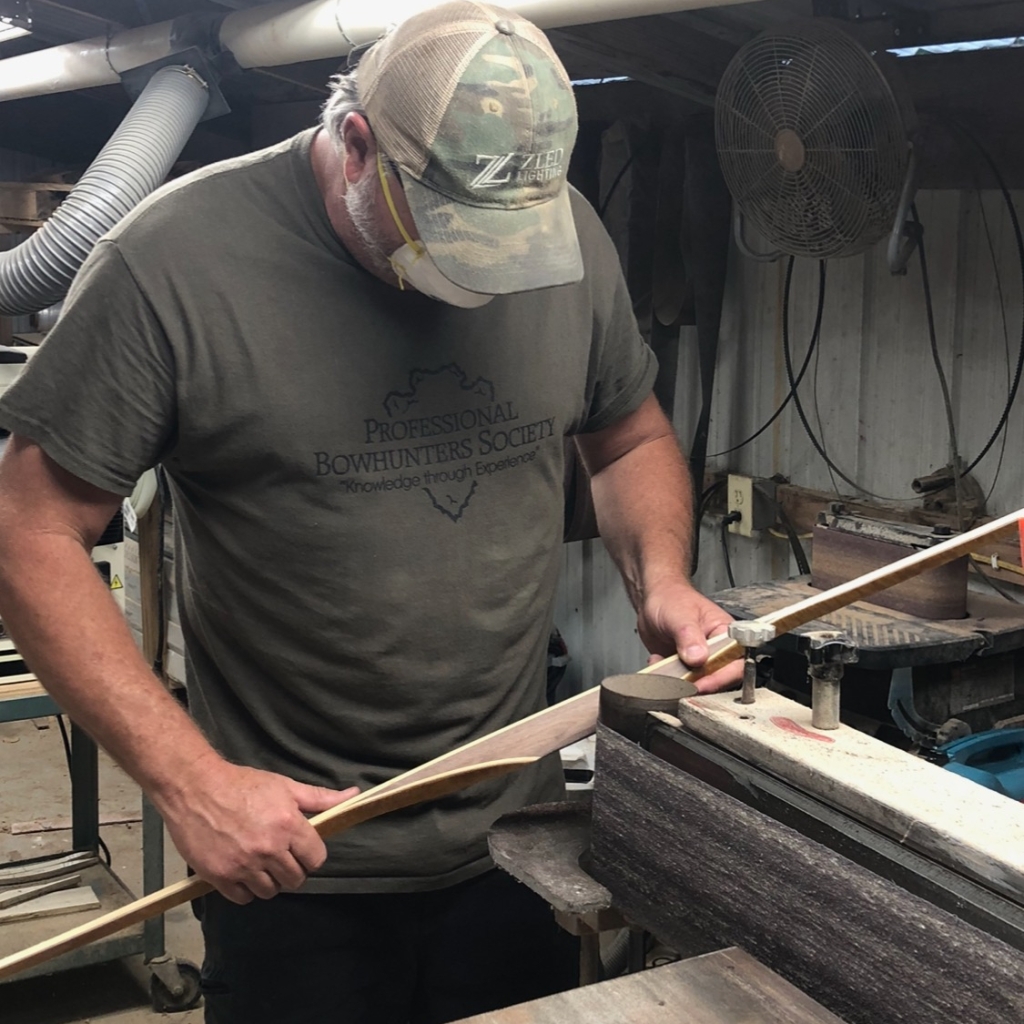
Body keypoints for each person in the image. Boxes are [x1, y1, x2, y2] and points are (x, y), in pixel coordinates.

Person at [0, 2, 740, 1021]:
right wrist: (189, 782)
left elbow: (627, 436)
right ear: (356, 145)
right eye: (449, 229)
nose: (481, 277)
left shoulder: (555, 225)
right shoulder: (171, 263)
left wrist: (660, 579)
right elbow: (29, 531)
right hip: (296, 857)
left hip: (519, 834)